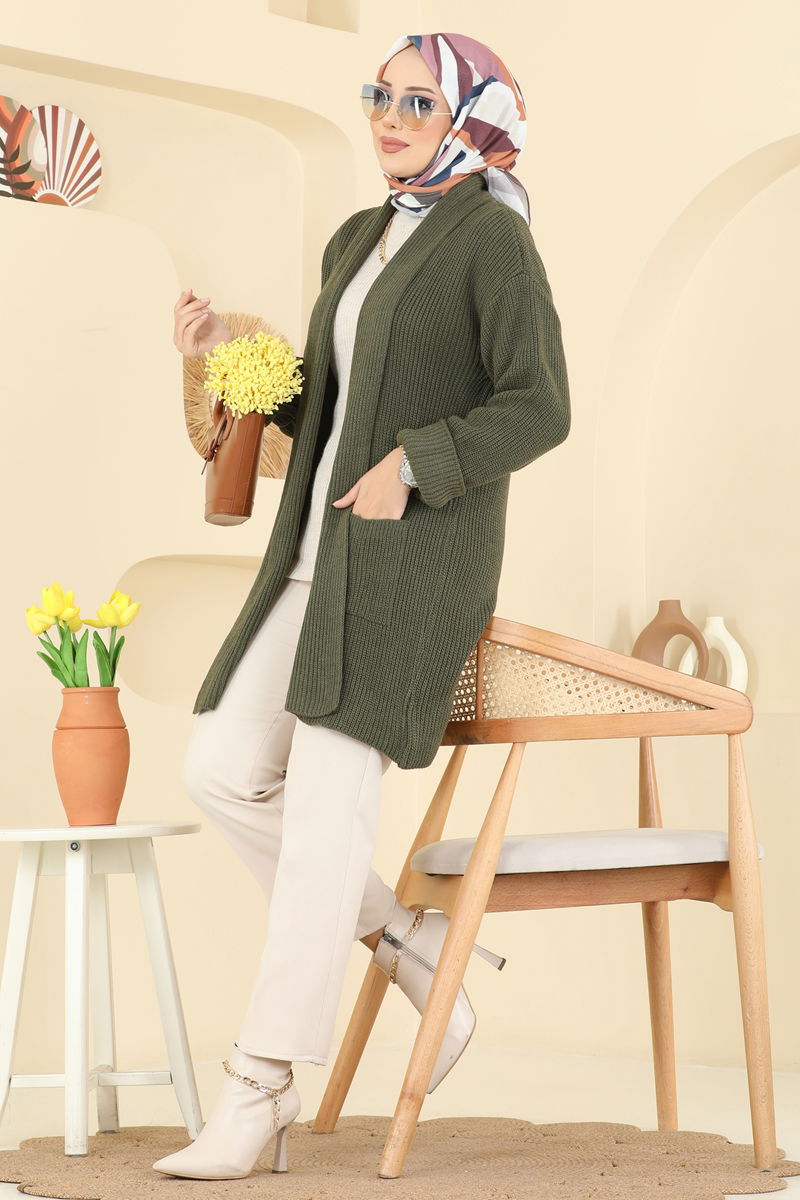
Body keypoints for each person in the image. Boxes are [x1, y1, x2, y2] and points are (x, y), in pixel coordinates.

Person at [155, 31, 571, 1181]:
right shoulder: (357, 235)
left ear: (472, 116)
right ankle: (406, 939)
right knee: (220, 768)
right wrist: (223, 357)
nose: (388, 116)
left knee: (325, 812)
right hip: (312, 556)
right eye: (378, 95)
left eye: (416, 100)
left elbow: (536, 406)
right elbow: (329, 414)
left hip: (408, 566)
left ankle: (259, 1088)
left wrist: (419, 464)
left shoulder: (490, 239)